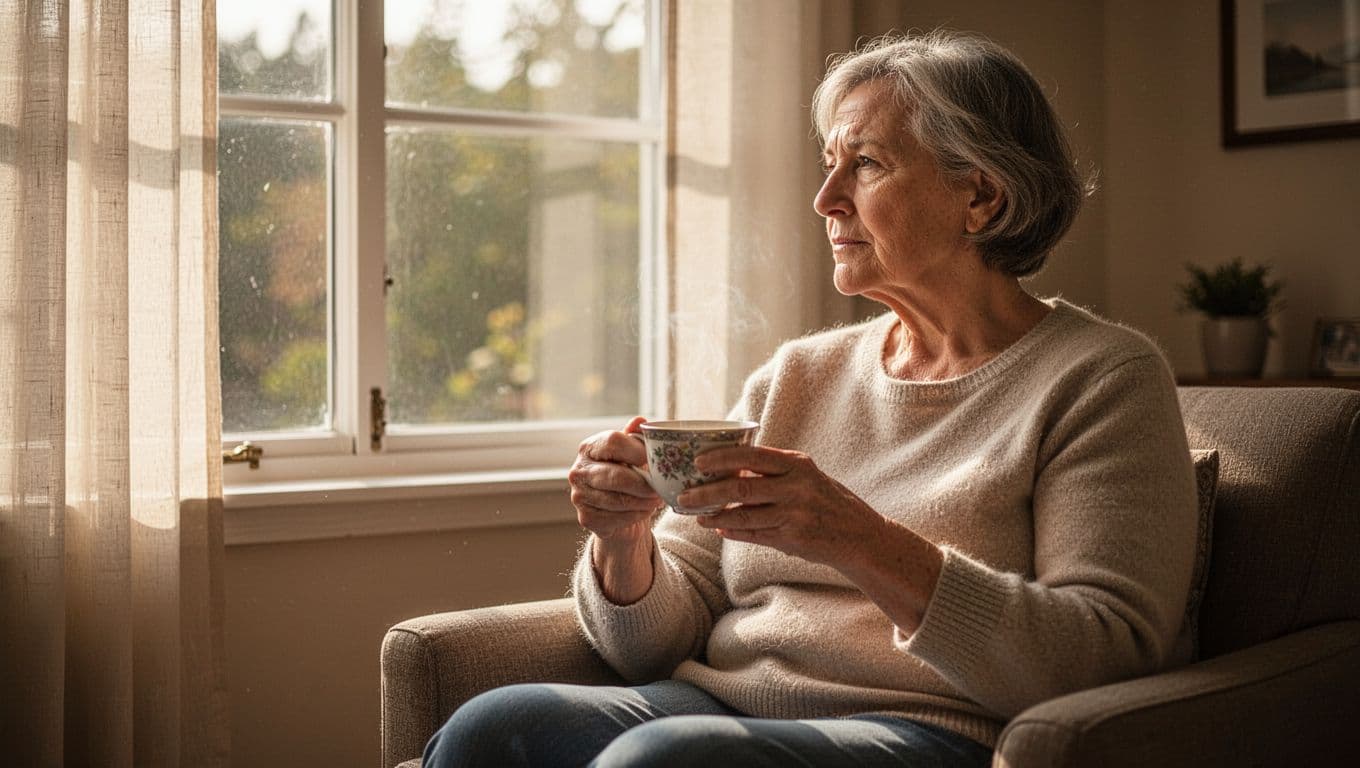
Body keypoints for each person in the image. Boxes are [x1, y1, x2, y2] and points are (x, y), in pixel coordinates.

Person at [423, 30, 1198, 768]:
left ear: (983, 199)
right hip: (719, 712)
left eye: (865, 165)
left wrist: (858, 538)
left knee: (669, 761)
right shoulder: (800, 374)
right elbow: (654, 645)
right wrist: (626, 542)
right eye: (829, 164)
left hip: (925, 731)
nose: (826, 198)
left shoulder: (1101, 379)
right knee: (495, 728)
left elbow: (1104, 655)